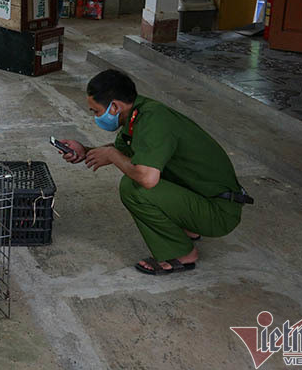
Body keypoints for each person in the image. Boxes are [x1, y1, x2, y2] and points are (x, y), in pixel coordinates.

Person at [57, 69, 251, 275]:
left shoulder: (153, 120)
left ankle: (183, 253)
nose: (95, 117)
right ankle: (188, 227)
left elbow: (147, 178)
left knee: (134, 188)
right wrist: (85, 151)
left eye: (96, 111)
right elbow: (124, 151)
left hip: (220, 213)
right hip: (206, 198)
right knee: (141, 169)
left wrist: (111, 155)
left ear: (114, 106)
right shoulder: (138, 114)